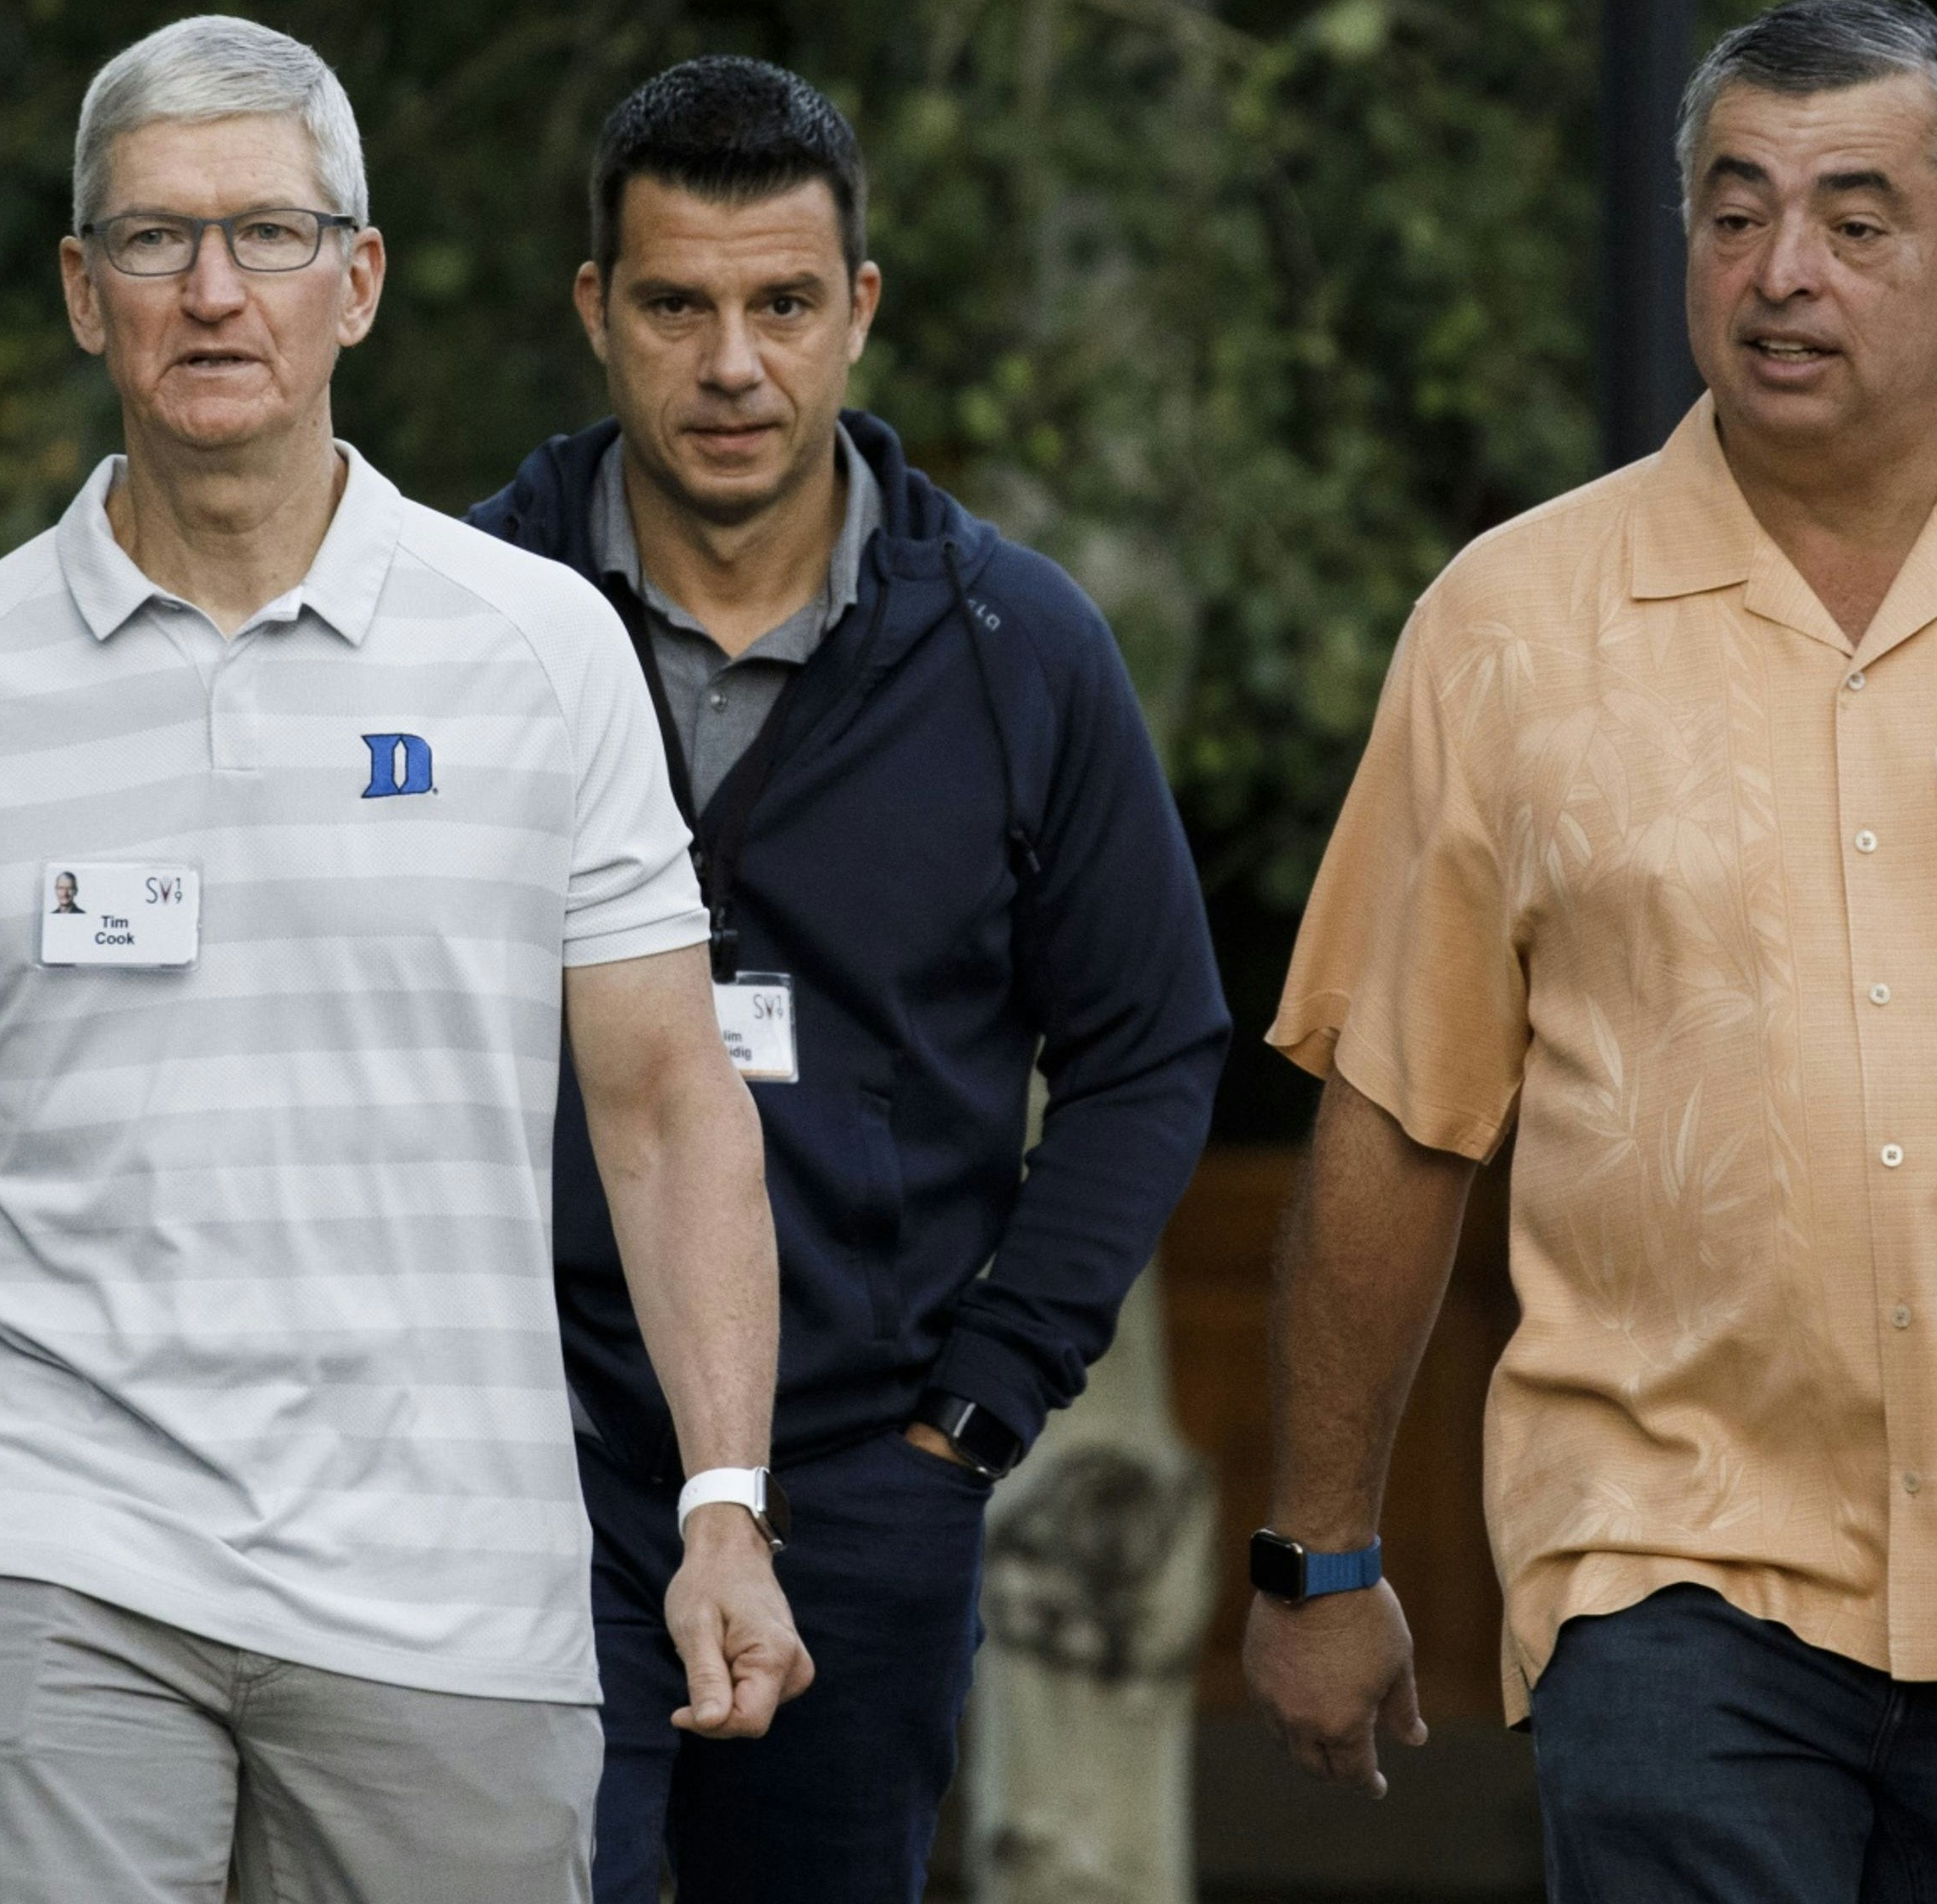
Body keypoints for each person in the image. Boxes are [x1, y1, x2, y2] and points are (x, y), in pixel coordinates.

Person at [1242, 3, 1937, 1898]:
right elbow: (1396, 1115)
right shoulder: (1508, 627)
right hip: (1663, 1576)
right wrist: (1319, 1554)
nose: (1782, 274)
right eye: (1733, 211)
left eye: (1857, 220)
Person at [0, 19, 811, 1904]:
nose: (214, 291)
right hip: (50, 1552)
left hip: (449, 1591)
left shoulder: (541, 649)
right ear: (85, 295)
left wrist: (723, 1504)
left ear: (361, 279)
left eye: (268, 232)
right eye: (155, 243)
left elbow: (667, 1105)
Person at [471, 57, 1227, 1904]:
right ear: (597, 314)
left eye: (783, 304)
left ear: (857, 311)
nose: (733, 362)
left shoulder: (1015, 645)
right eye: (676, 304)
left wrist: (974, 1409)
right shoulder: (456, 622)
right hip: (515, 1470)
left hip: (863, 1481)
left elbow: (1149, 1047)